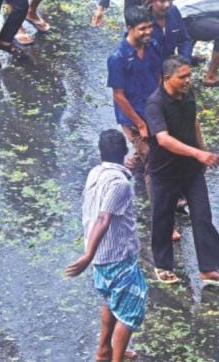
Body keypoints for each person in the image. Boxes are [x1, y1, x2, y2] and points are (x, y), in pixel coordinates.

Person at [145, 55, 219, 285]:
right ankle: (163, 265)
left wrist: (202, 151)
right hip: (164, 171)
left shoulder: (188, 94)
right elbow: (163, 140)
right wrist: (198, 154)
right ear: (167, 79)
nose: (188, 80)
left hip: (191, 170)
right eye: (182, 77)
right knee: (163, 218)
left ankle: (208, 268)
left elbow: (193, 122)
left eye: (189, 75)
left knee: (202, 216)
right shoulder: (155, 103)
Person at [64, 129, 147, 362]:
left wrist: (90, 254)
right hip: (117, 256)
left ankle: (103, 350)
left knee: (110, 301)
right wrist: (87, 255)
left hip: (101, 257)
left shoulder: (96, 173)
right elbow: (104, 218)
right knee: (131, 309)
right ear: (124, 152)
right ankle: (116, 358)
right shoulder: (119, 183)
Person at [106, 6, 160, 182]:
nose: (148, 32)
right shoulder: (118, 58)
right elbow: (118, 96)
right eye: (142, 29)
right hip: (133, 115)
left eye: (150, 27)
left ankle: (136, 157)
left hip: (152, 107)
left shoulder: (153, 45)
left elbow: (158, 75)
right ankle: (163, 200)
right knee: (151, 158)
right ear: (130, 28)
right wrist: (140, 124)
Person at [141, 0, 196, 64]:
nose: (167, 5)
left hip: (169, 64)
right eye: (162, 1)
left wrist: (184, 61)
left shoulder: (173, 11)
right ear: (151, 1)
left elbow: (184, 40)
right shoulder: (141, 20)